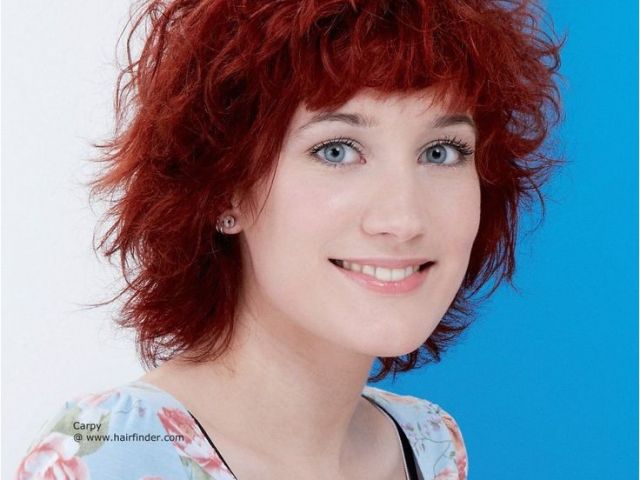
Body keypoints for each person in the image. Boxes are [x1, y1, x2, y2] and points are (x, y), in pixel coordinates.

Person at [15, 0, 563, 478]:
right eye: (336, 150)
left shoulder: (427, 443)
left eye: (441, 152)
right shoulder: (108, 455)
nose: (403, 218)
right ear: (224, 188)